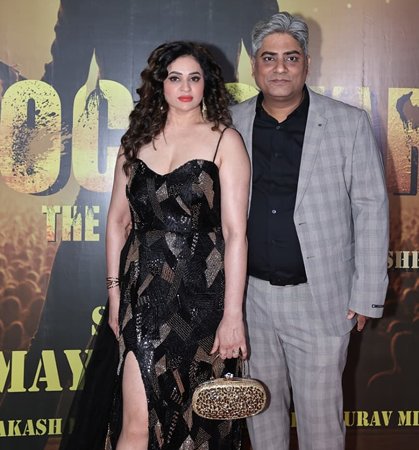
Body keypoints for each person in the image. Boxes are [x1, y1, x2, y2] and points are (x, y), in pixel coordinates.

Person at [60, 41, 250, 450]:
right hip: (143, 295)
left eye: (194, 78)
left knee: (196, 428)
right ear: (159, 84)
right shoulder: (135, 143)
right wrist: (115, 294)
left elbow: (235, 233)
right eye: (175, 78)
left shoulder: (225, 141)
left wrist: (232, 314)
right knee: (136, 422)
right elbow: (117, 221)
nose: (186, 88)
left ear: (207, 84)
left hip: (203, 298)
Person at [230, 12, 389, 450]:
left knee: (321, 428)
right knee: (261, 422)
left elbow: (372, 208)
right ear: (254, 66)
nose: (279, 68)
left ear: (307, 64)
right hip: (250, 301)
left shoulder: (348, 123)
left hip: (322, 299)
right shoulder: (229, 124)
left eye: (291, 57)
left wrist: (366, 293)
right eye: (269, 58)